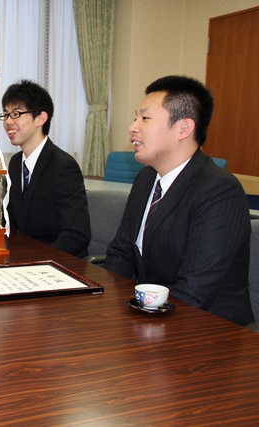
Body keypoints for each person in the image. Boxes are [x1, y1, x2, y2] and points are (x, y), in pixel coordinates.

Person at [105, 75, 253, 326]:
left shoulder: (219, 190)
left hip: (208, 331)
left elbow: (194, 293)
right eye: (135, 117)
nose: (133, 127)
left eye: (145, 118)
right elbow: (121, 255)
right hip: (152, 317)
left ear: (183, 129)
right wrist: (101, 305)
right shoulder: (146, 179)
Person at [0, 80, 91, 257]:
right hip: (23, 257)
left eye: (16, 114)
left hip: (56, 263)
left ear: (41, 118)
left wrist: (40, 262)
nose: (8, 122)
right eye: (5, 115)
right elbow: (11, 219)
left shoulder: (63, 166)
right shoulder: (16, 163)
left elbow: (76, 234)